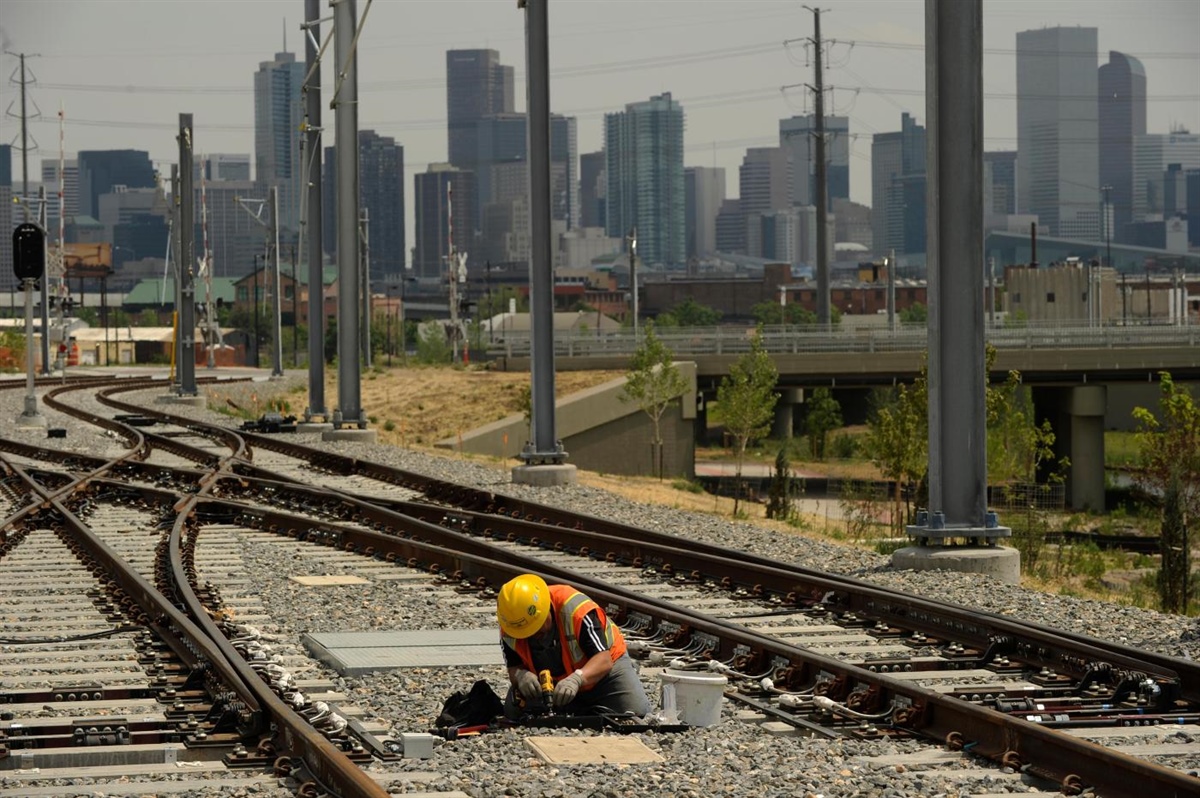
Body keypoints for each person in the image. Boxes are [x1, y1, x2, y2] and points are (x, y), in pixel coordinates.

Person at [496, 573, 651, 720]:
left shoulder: (577, 611)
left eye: (537, 627)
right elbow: (513, 667)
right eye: (527, 632)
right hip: (552, 685)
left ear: (546, 608)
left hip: (604, 670)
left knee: (636, 711)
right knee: (512, 712)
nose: (534, 635)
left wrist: (576, 679)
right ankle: (576, 705)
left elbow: (603, 660)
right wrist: (521, 676)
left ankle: (619, 678)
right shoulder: (511, 626)